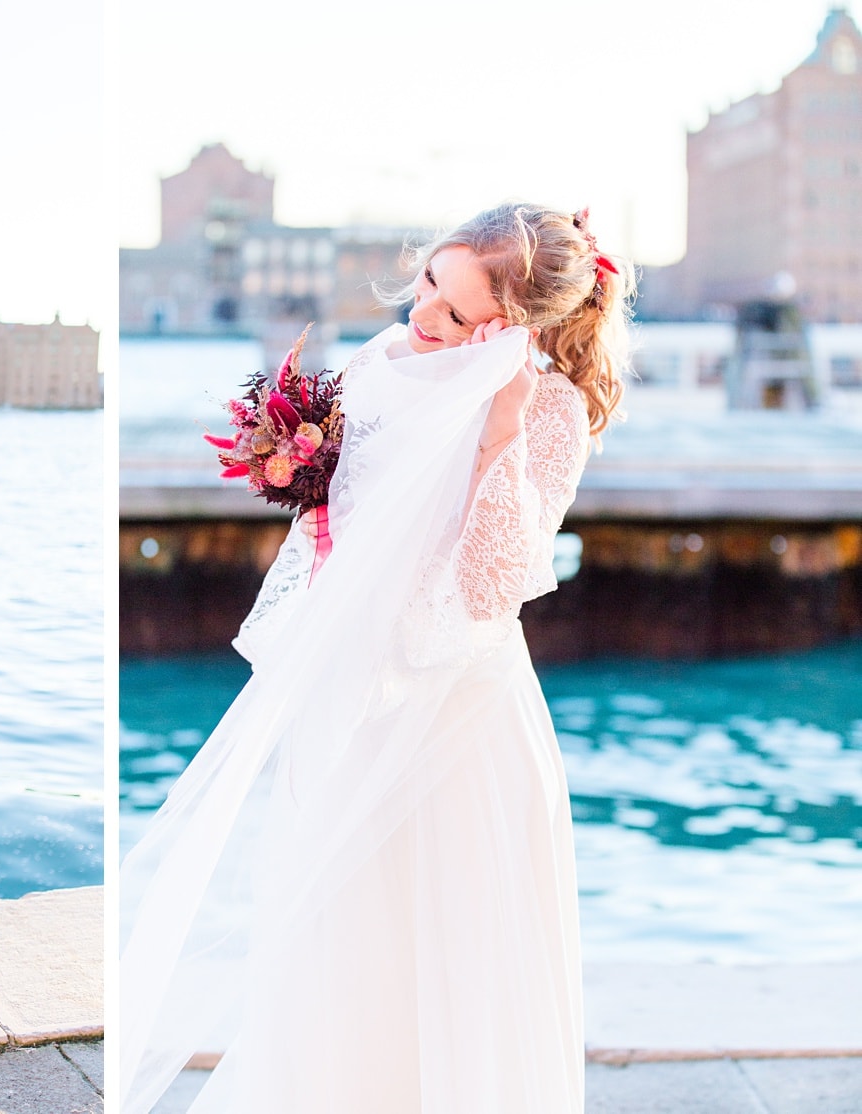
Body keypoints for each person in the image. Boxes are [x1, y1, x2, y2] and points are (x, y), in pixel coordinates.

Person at [120, 204, 633, 1113]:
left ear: (516, 327)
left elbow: (489, 587)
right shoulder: (381, 359)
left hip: (459, 716)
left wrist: (497, 430)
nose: (424, 315)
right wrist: (291, 471)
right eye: (430, 282)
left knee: (451, 952)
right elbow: (344, 512)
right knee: (334, 941)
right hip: (349, 693)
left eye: (458, 313)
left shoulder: (546, 409)